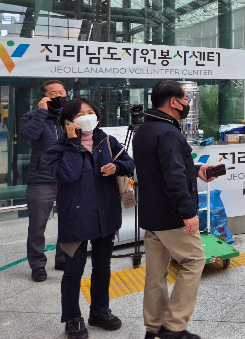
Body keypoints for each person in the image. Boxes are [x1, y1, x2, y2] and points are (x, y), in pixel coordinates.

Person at [133, 81, 219, 339]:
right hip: (172, 215)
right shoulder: (169, 133)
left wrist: (196, 169)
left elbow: (164, 167)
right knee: (194, 261)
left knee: (155, 273)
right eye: (185, 99)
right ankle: (173, 326)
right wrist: (188, 212)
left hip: (152, 214)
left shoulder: (145, 130)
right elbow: (173, 177)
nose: (187, 103)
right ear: (174, 102)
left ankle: (154, 326)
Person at [44, 98, 134, 339]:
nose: (87, 116)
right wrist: (74, 144)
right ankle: (72, 318)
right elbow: (68, 174)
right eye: (80, 114)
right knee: (73, 271)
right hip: (76, 218)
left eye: (90, 112)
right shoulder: (57, 149)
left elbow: (130, 163)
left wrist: (118, 168)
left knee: (103, 266)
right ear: (68, 121)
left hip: (106, 216)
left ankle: (99, 311)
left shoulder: (107, 142)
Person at [20, 79, 68, 282]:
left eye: (61, 91)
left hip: (67, 177)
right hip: (42, 179)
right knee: (37, 226)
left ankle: (63, 258)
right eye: (53, 93)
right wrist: (41, 112)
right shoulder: (32, 116)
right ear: (44, 96)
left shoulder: (70, 116)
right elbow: (29, 135)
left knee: (68, 222)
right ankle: (38, 265)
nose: (58, 95)